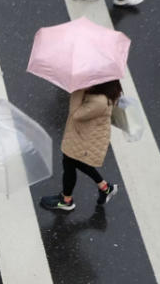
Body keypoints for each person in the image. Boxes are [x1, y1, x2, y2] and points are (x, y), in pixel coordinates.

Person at [40, 81, 121, 212]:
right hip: (83, 135)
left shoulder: (99, 101)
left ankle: (67, 200)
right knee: (72, 162)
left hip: (86, 138)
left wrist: (78, 89)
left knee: (70, 162)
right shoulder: (103, 91)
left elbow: (76, 114)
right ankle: (105, 188)